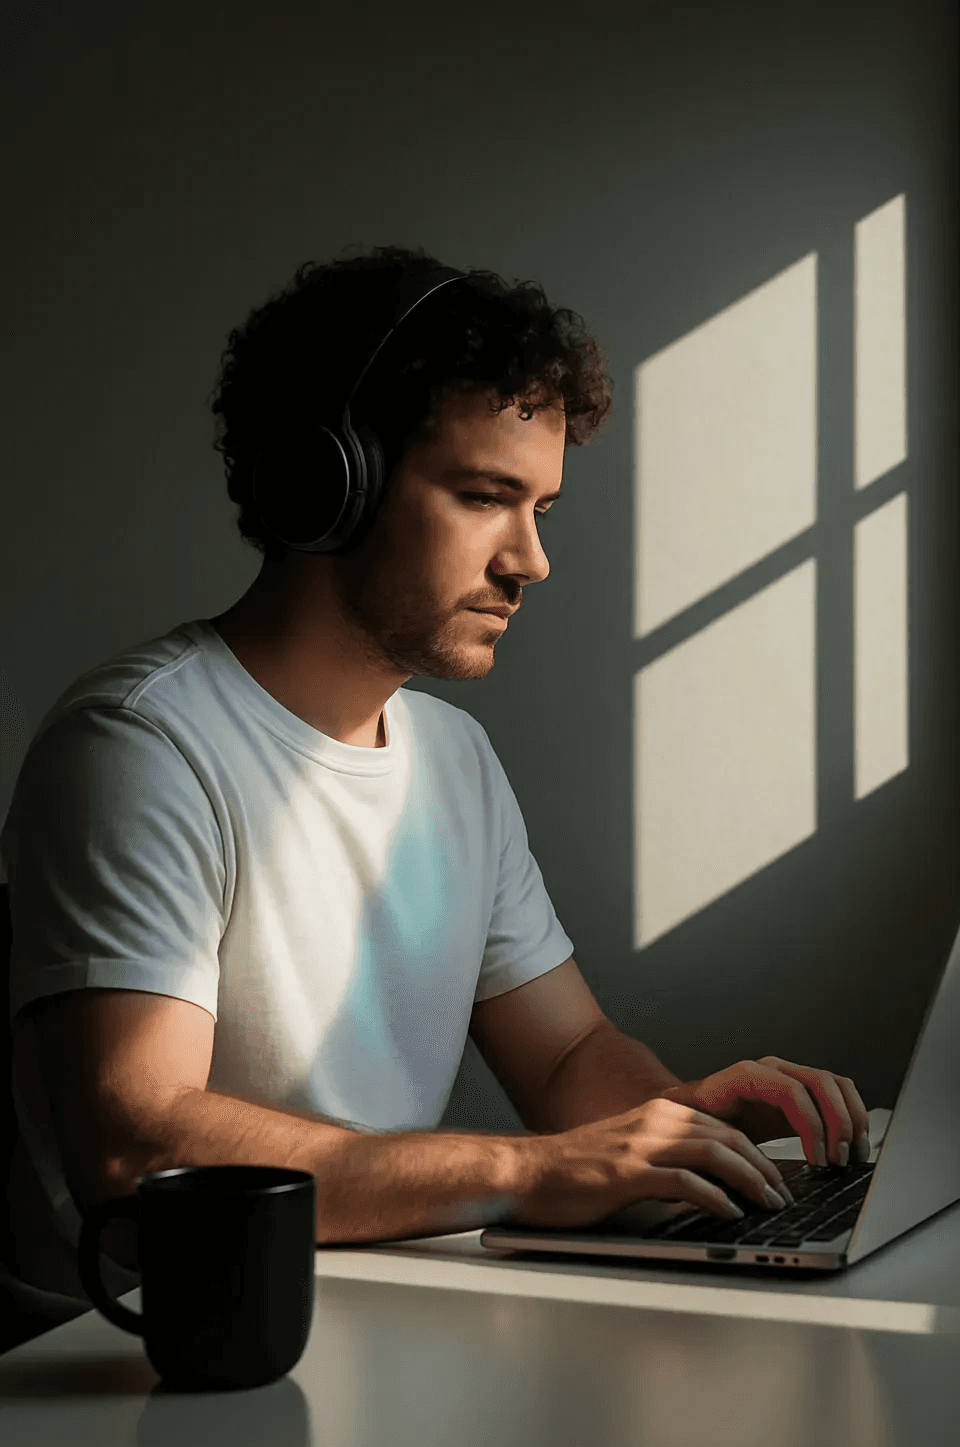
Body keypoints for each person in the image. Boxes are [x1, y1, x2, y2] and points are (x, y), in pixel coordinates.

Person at [1, 247, 870, 1301]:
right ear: (329, 484)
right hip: (157, 1347)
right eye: (482, 496)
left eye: (538, 508)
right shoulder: (139, 746)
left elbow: (566, 1058)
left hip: (370, 1308)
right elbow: (138, 1147)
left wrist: (680, 1130)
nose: (530, 560)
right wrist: (522, 1172)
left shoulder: (452, 759)